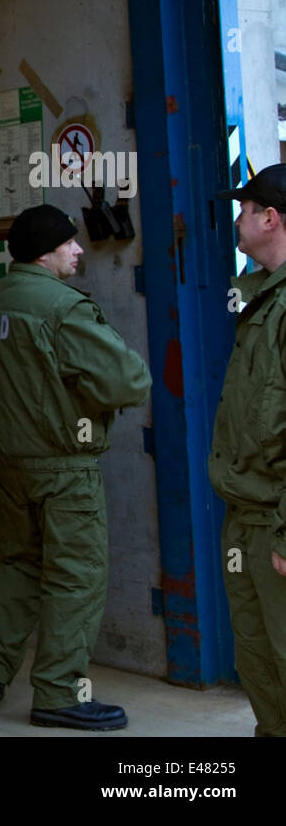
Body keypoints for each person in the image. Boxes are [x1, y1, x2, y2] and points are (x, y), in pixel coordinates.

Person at [0, 204, 151, 730]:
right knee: (76, 578)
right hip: (63, 470)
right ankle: (57, 693)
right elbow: (128, 381)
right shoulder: (61, 307)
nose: (77, 250)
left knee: (20, 568)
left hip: (12, 466)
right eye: (70, 244)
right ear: (46, 254)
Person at [209, 163, 286, 737]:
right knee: (258, 665)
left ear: (270, 217)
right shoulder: (259, 296)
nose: (237, 220)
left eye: (244, 209)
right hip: (247, 521)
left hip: (277, 526)